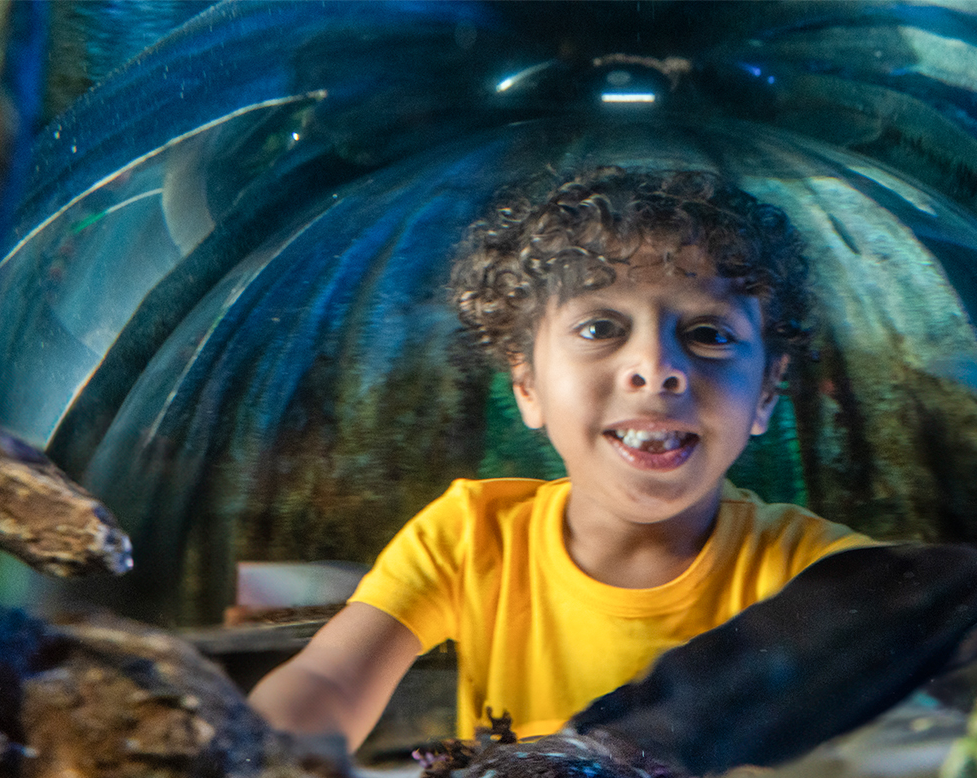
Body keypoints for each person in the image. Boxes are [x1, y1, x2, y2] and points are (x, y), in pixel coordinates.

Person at [248, 167, 886, 748]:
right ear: (526, 382)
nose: (655, 368)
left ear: (767, 392)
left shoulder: (822, 575)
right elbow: (329, 682)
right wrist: (268, 756)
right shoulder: (471, 537)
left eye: (709, 335)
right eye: (600, 328)